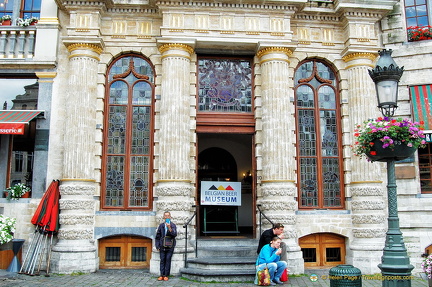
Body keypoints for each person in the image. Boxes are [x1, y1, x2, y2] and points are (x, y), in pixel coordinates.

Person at [155, 211, 177, 281]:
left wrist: (169, 228)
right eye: (165, 216)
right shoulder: (161, 226)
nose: (167, 217)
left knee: (168, 260)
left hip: (170, 245)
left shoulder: (173, 225)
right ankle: (162, 275)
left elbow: (174, 234)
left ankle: (166, 275)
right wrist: (157, 246)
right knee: (162, 260)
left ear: (170, 217)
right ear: (164, 217)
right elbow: (157, 236)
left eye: (168, 216)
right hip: (162, 245)